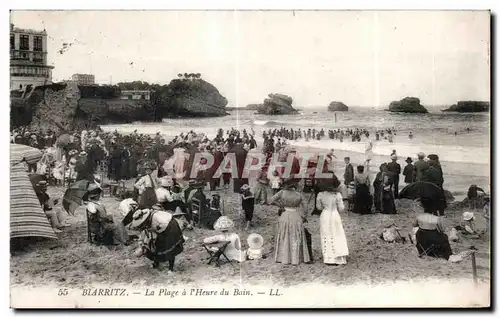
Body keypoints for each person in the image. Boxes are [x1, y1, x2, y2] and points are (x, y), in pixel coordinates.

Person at [269, 177, 312, 265]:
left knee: (284, 234)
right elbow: (306, 206)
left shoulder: (282, 192)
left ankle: (283, 256)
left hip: (285, 214)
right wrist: (304, 216)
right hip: (295, 215)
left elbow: (270, 200)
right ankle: (295, 257)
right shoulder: (299, 194)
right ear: (295, 185)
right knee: (295, 235)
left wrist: (280, 206)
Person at [315, 176, 349, 265]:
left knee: (326, 234)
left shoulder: (320, 195)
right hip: (334, 214)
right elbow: (341, 209)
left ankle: (328, 258)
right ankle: (338, 258)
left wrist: (324, 206)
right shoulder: (337, 195)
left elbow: (318, 207)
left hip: (325, 214)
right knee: (336, 234)